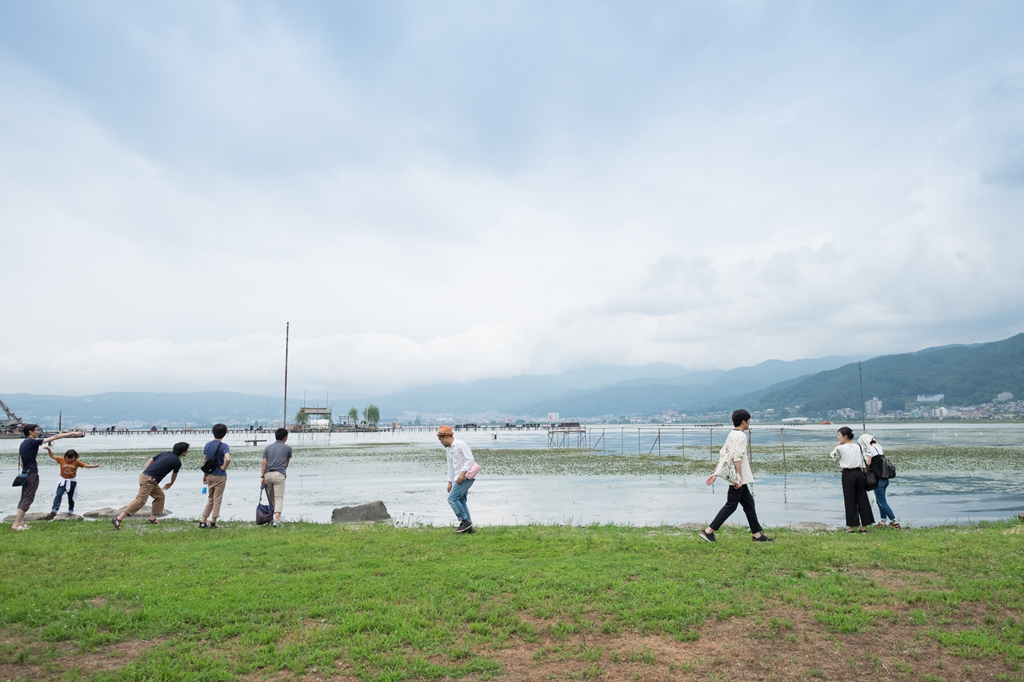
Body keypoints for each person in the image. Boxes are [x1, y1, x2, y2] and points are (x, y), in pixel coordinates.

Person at [700, 409, 773, 543]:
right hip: (737, 478)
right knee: (731, 505)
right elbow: (737, 457)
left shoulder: (731, 435)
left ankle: (757, 535)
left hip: (736, 478)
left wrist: (715, 473)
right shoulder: (741, 436)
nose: (749, 423)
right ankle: (709, 531)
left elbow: (723, 455)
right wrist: (739, 478)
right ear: (744, 422)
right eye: (748, 421)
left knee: (749, 504)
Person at [11, 424, 84, 531]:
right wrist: (72, 433)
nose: (39, 432)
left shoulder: (23, 443)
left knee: (24, 497)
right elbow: (55, 437)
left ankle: (20, 522)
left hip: (25, 473)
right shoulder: (32, 442)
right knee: (28, 498)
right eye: (37, 430)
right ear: (30, 432)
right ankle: (16, 524)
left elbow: (22, 463)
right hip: (31, 474)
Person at [111, 442, 189, 529]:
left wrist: (146, 471)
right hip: (149, 480)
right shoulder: (177, 462)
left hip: (147, 478)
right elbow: (175, 474)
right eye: (187, 449)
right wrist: (171, 483)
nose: (188, 451)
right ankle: (118, 518)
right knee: (140, 500)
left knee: (160, 496)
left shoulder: (165, 453)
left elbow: (150, 460)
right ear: (183, 451)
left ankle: (152, 518)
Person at [831, 427, 874, 533]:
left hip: (848, 474)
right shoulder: (857, 446)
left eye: (839, 435)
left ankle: (851, 528)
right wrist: (865, 474)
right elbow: (863, 461)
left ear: (845, 436)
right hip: (859, 473)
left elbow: (834, 457)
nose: (838, 437)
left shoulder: (840, 448)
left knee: (850, 500)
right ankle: (864, 527)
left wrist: (836, 447)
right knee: (862, 499)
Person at [438, 425, 477, 534]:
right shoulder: (449, 449)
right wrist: (450, 481)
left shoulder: (460, 444)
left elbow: (470, 459)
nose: (440, 442)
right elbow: (450, 465)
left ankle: (464, 521)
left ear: (446, 437)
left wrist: (462, 474)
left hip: (465, 477)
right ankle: (468, 528)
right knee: (462, 501)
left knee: (452, 499)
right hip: (456, 478)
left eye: (441, 439)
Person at [47, 447, 100, 517]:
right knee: (58, 494)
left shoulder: (76, 462)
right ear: (65, 457)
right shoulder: (61, 460)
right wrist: (49, 450)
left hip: (72, 481)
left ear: (74, 457)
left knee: (71, 496)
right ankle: (54, 509)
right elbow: (52, 456)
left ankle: (70, 509)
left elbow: (85, 465)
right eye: (67, 458)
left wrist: (94, 466)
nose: (69, 460)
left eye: (71, 458)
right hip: (63, 481)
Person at [860, 434, 899, 529]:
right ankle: (883, 521)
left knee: (882, 502)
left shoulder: (869, 450)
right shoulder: (879, 448)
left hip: (878, 480)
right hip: (884, 479)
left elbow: (868, 463)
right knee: (879, 501)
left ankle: (894, 522)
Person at [199, 424, 232, 529]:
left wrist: (205, 474)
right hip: (219, 475)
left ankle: (203, 520)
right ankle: (213, 522)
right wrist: (224, 468)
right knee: (217, 499)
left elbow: (204, 461)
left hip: (209, 475)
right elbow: (228, 459)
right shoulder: (224, 446)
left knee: (210, 498)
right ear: (224, 433)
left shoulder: (207, 445)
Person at [261, 428, 291, 527]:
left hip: (268, 474)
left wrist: (262, 477)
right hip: (279, 474)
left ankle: (273, 518)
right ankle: (277, 520)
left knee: (272, 497)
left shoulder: (268, 448)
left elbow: (264, 463)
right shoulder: (287, 448)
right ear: (285, 437)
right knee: (279, 498)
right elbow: (286, 464)